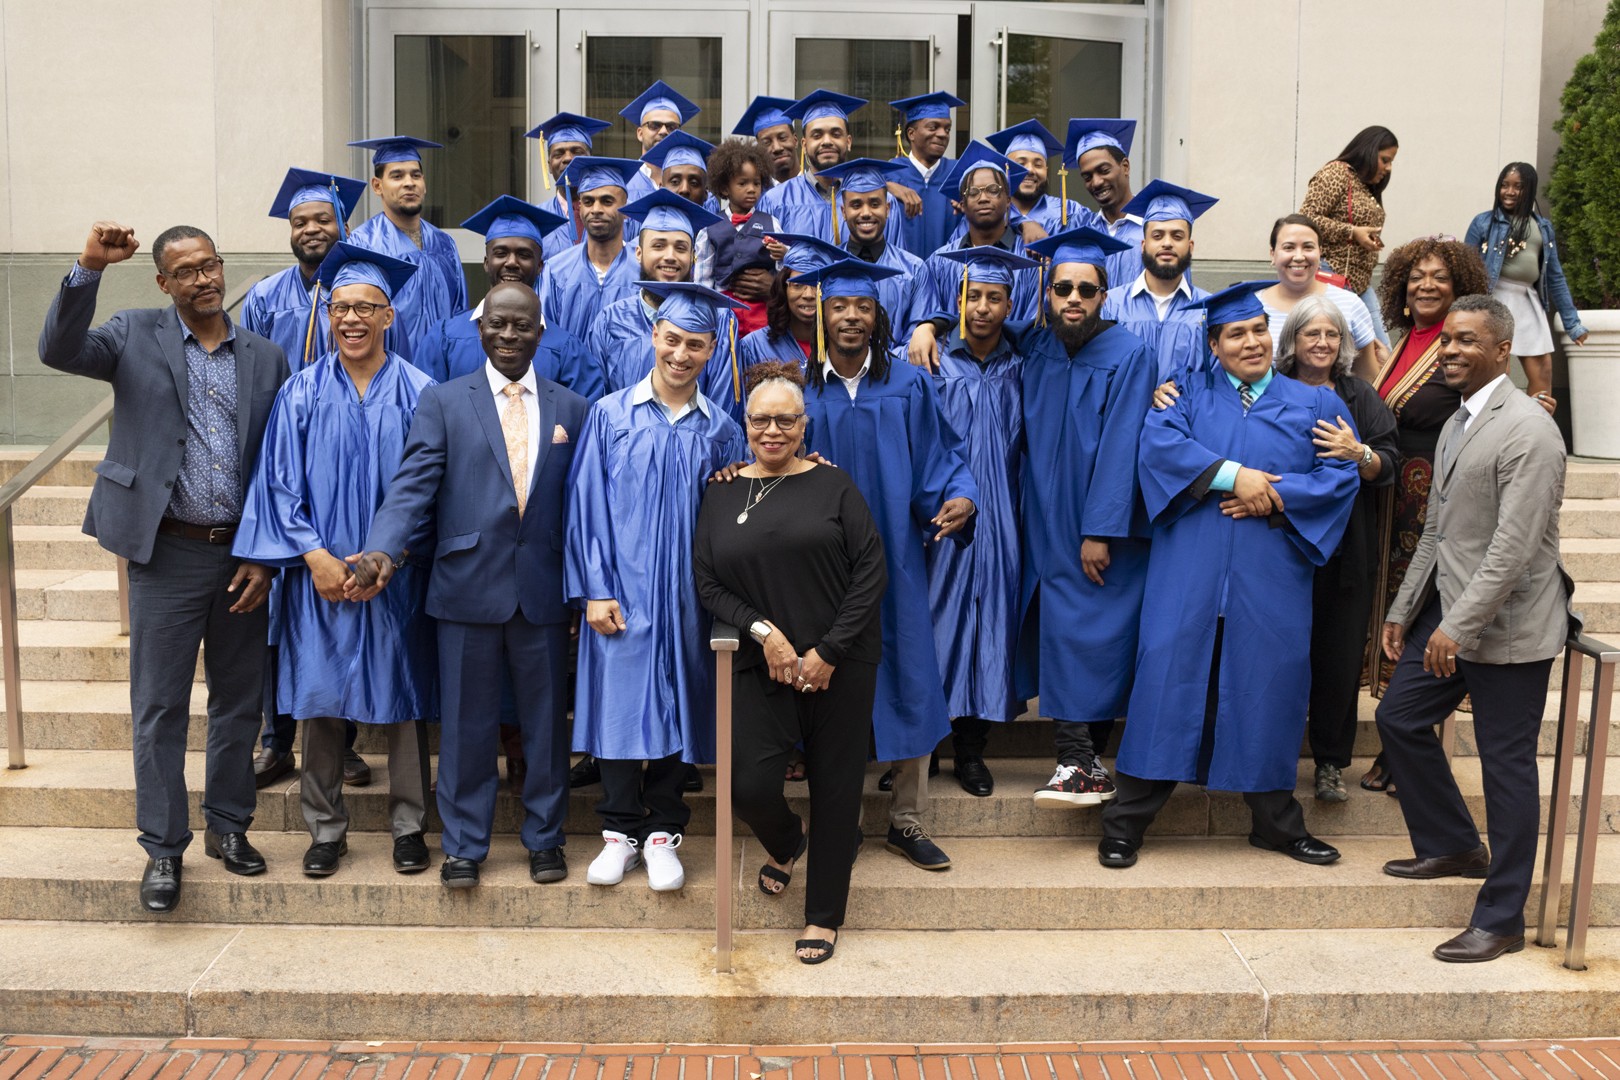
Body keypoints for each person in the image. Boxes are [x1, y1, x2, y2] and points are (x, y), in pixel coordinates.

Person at [39, 222, 287, 912]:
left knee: (240, 702)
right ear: (163, 283)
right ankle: (164, 849)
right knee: (159, 708)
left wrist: (266, 557)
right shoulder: (132, 333)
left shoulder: (266, 358)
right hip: (166, 550)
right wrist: (89, 266)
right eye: (186, 272)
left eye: (210, 266)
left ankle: (230, 829)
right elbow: (58, 350)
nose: (203, 280)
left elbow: (277, 467)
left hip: (243, 555)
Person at [1099, 281, 1358, 870]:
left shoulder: (1316, 403)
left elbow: (1339, 478)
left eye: (1259, 330)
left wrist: (1272, 493)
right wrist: (1233, 475)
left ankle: (1276, 825)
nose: (1251, 342)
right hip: (1189, 568)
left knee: (1269, 687)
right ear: (1213, 345)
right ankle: (1125, 823)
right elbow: (1159, 449)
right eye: (1236, 334)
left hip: (1271, 572)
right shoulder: (1183, 396)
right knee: (1166, 680)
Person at [349, 282, 590, 889]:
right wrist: (382, 547)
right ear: (480, 330)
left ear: (541, 332)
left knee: (543, 727)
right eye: (497, 325)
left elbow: (587, 505)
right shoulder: (444, 400)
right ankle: (463, 845)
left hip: (542, 589)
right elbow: (412, 485)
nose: (509, 335)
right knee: (464, 726)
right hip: (464, 587)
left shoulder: (572, 407)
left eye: (521, 326)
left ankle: (545, 839)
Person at [1376, 294, 1578, 964]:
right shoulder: (1457, 423)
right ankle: (1453, 844)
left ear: (1501, 350)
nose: (1451, 350)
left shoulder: (1530, 430)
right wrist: (1406, 609)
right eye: (1447, 341)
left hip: (1511, 630)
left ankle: (1503, 917)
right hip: (1451, 618)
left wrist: (1454, 627)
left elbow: (1514, 550)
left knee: (1507, 768)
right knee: (1400, 718)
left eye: (1466, 341)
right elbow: (1436, 531)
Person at [233, 242, 437, 878]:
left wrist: (390, 562)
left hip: (393, 577)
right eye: (340, 307)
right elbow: (277, 484)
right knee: (319, 700)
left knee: (403, 700)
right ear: (327, 315)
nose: (351, 318)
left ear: (389, 317)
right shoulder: (299, 392)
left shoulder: (421, 393)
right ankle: (325, 828)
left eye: (365, 308)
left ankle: (409, 827)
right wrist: (316, 557)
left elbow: (431, 489)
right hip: (317, 578)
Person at [694, 360, 886, 963]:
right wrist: (764, 633)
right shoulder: (722, 490)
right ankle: (786, 841)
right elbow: (707, 582)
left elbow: (870, 571)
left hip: (841, 664)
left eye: (786, 420)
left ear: (805, 425)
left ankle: (824, 916)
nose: (772, 430)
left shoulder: (835, 486)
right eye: (760, 420)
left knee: (835, 791)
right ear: (744, 424)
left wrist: (828, 650)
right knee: (749, 785)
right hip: (763, 666)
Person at [796, 259, 978, 871]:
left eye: (864, 308)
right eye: (841, 307)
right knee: (833, 687)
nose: (852, 317)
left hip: (896, 559)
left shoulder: (908, 384)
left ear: (879, 318)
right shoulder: (799, 391)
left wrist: (961, 496)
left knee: (910, 677)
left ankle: (906, 818)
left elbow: (944, 458)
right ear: (822, 314)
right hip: (820, 567)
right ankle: (839, 820)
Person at [566, 281, 748, 893]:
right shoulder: (610, 414)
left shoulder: (722, 429)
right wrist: (593, 589)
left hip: (688, 597)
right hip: (621, 589)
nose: (681, 354)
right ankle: (619, 834)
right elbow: (585, 505)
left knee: (677, 705)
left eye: (695, 345)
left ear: (711, 350)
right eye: (672, 340)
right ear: (654, 337)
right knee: (620, 707)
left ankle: (665, 832)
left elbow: (735, 515)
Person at [1004, 227, 1156, 809]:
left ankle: (1079, 758)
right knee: (1063, 629)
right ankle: (1081, 760)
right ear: (1047, 292)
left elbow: (1122, 447)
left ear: (1104, 294)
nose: (1073, 298)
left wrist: (1100, 530)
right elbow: (984, 325)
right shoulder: (1038, 344)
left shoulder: (1130, 354)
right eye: (1062, 287)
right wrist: (931, 324)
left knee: (1092, 634)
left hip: (1096, 522)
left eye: (1085, 290)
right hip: (1042, 513)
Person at [240, 166, 367, 790]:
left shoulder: (355, 292)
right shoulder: (266, 297)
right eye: (301, 221)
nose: (312, 229)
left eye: (322, 219)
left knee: (334, 606)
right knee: (276, 612)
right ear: (289, 231)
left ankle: (338, 740)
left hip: (347, 462)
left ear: (342, 225)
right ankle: (275, 738)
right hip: (280, 460)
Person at [1362, 237, 1490, 790]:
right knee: (1395, 610)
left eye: (1439, 277)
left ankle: (1406, 751)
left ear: (1459, 287)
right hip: (1396, 499)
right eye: (1417, 276)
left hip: (1438, 498)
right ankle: (1401, 740)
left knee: (1420, 614)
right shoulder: (1403, 340)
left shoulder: (1458, 345)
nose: (1426, 285)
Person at [925, 247, 1039, 796]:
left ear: (1010, 304)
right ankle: (921, 749)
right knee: (935, 623)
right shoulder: (932, 363)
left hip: (1005, 518)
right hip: (939, 514)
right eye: (975, 297)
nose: (984, 307)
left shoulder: (1024, 365)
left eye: (996, 297)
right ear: (958, 301)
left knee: (991, 625)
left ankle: (972, 751)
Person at [1273, 297, 1397, 802]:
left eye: (1331, 335)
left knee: (1338, 659)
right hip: (1280, 548)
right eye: (1311, 334)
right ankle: (1270, 757)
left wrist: (1358, 453)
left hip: (1346, 549)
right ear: (1292, 341)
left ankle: (1329, 764)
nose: (1321, 343)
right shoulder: (1270, 392)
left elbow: (1388, 465)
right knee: (1276, 657)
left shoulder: (1359, 396)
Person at [417, 195, 600, 400]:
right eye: (501, 253)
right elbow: (426, 414)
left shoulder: (566, 350)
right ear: (486, 262)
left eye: (524, 255)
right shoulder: (444, 339)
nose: (512, 262)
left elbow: (584, 422)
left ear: (540, 267)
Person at [592, 190, 744, 418]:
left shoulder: (720, 321)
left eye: (681, 248)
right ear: (639, 253)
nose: (670, 256)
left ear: (693, 256)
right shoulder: (611, 319)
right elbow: (599, 402)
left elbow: (722, 412)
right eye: (659, 246)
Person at [1466, 161, 1589, 414]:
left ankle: (1536, 429)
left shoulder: (1543, 228)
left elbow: (1555, 277)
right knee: (1498, 368)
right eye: (1504, 185)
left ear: (1529, 190)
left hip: (1527, 299)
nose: (1509, 192)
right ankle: (1492, 426)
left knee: (1543, 369)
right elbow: (1464, 268)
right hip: (1493, 300)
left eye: (1517, 187)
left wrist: (1572, 323)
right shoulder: (1483, 223)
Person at [346, 136, 468, 364]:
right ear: (377, 186)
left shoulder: (445, 244)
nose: (409, 182)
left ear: (424, 184)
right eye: (397, 176)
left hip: (444, 372)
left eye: (416, 175)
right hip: (390, 374)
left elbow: (460, 311)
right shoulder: (363, 243)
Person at [757, 90, 905, 249]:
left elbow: (895, 265)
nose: (827, 141)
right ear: (804, 145)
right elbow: (765, 265)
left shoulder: (882, 203)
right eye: (817, 135)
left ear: (848, 142)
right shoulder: (775, 201)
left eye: (835, 134)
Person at [1101, 179, 1216, 382]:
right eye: (1157, 235)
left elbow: (1213, 381)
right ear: (1143, 245)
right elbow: (1101, 375)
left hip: (1186, 413)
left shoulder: (1208, 310)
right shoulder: (1111, 305)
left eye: (1177, 236)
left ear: (1190, 246)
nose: (1167, 243)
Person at [1300, 126, 1398, 345]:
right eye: (1385, 160)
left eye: (1391, 162)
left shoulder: (1364, 186)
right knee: (1347, 349)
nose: (1389, 168)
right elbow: (1306, 218)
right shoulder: (1336, 173)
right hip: (1331, 276)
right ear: (1369, 152)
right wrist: (1352, 232)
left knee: (1381, 351)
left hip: (1359, 283)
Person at [1258, 215, 1382, 377]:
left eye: (1308, 247)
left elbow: (1368, 377)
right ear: (1272, 254)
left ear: (1320, 253)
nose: (1299, 256)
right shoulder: (1254, 305)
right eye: (1288, 247)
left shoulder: (1349, 303)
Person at [814, 158, 928, 336]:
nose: (866, 213)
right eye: (856, 205)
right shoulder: (826, 267)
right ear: (844, 212)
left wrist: (884, 362)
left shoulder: (914, 270)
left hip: (897, 363)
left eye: (875, 204)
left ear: (888, 208)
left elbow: (916, 337)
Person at [539, 156, 645, 343]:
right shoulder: (556, 271)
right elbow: (544, 339)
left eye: (607, 201)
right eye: (588, 202)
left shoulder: (642, 272)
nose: (596, 209)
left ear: (626, 208)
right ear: (579, 208)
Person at [695, 138, 780, 336]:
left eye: (757, 183)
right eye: (742, 183)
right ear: (725, 188)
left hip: (761, 312)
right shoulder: (709, 227)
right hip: (724, 312)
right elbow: (703, 279)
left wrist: (782, 255)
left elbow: (781, 267)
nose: (751, 189)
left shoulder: (772, 223)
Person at [737, 233, 848, 371]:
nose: (808, 295)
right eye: (798, 285)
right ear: (784, 288)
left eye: (817, 285)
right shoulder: (754, 346)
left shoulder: (846, 345)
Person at [523, 112, 616, 260]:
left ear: (590, 159)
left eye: (577, 152)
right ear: (549, 165)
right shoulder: (536, 220)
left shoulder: (617, 216)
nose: (568, 158)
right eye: (558, 154)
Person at [887, 91, 967, 259]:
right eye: (933, 127)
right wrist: (887, 186)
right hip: (902, 277)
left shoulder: (960, 173)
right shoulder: (889, 172)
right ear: (911, 134)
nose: (943, 134)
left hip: (948, 277)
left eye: (947, 129)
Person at [985, 119, 1096, 237]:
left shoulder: (1071, 211)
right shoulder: (987, 212)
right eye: (1021, 164)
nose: (1030, 170)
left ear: (1046, 171)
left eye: (1038, 165)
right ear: (1005, 169)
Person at [1066, 119, 1140, 287]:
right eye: (1087, 177)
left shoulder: (1153, 228)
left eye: (1104, 171)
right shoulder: (1084, 231)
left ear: (1125, 167)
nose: (1096, 182)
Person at [621, 80, 704, 204]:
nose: (664, 131)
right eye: (654, 125)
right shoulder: (624, 185)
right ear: (640, 133)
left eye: (671, 127)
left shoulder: (696, 188)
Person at [641, 129, 725, 216]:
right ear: (661, 189)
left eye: (694, 183)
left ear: (706, 193)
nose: (684, 189)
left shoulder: (713, 229)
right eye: (675, 182)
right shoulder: (645, 227)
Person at [732, 95, 801, 185]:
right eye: (766, 143)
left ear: (795, 140)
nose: (777, 148)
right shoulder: (756, 197)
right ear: (759, 150)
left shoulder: (817, 188)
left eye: (783, 138)